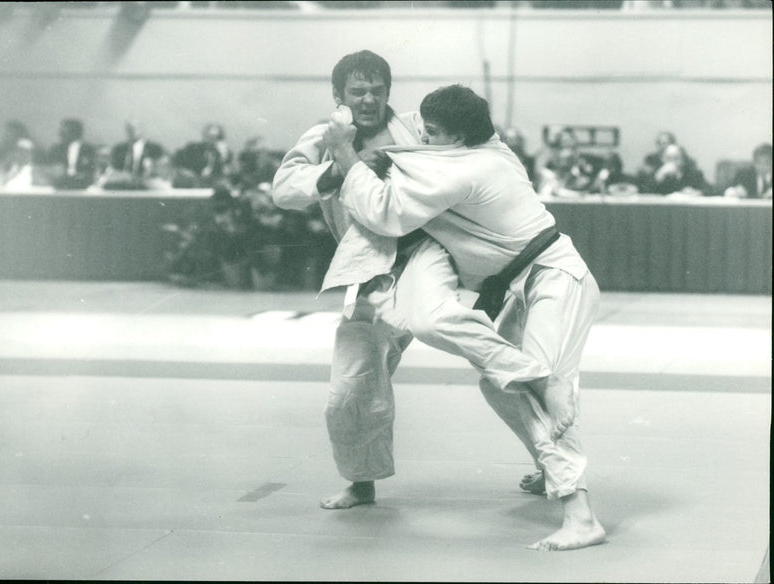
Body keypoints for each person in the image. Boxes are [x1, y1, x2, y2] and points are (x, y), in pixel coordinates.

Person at [273, 52, 576, 520]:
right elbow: (285, 189)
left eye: (378, 90)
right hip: (372, 269)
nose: (369, 99)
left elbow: (474, 149)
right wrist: (343, 163)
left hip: (431, 252)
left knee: (484, 355)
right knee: (352, 382)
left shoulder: (418, 126)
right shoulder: (326, 138)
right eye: (358, 92)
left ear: (389, 93)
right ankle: (361, 480)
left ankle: (550, 463)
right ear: (339, 96)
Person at [323, 84, 606, 551]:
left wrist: (341, 149)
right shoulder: (490, 150)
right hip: (520, 282)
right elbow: (419, 158)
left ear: (457, 138)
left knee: (533, 389)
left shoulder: (470, 169)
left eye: (432, 133)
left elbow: (385, 211)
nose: (425, 141)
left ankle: (580, 513)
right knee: (498, 383)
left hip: (558, 280)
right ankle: (546, 450)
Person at [173, 123, 234, 187]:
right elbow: (177, 163)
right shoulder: (193, 148)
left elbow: (226, 172)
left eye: (217, 137)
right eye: (209, 137)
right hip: (192, 183)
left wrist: (223, 156)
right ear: (204, 136)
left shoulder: (225, 154)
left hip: (213, 184)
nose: (212, 140)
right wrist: (187, 173)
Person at [110, 118, 166, 187]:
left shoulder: (155, 148)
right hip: (123, 185)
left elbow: (161, 170)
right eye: (130, 129)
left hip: (148, 185)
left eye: (136, 128)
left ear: (142, 129)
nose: (133, 131)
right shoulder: (119, 149)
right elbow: (114, 169)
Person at [45, 118, 96, 189]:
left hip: (82, 186)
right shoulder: (55, 149)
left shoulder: (87, 149)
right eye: (61, 131)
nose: (60, 134)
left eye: (65, 131)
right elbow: (50, 169)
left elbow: (90, 171)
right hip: (59, 186)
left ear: (76, 132)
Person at [644, 143, 711, 195]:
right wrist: (659, 176)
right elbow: (643, 191)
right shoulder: (657, 173)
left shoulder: (693, 174)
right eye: (668, 158)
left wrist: (697, 192)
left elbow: (710, 190)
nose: (672, 162)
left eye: (676, 158)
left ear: (683, 161)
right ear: (662, 160)